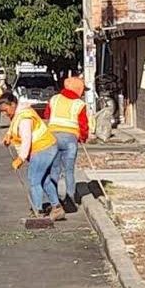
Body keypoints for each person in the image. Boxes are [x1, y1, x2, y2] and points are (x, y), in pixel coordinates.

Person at [0, 92, 65, 221]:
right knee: (44, 179)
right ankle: (57, 208)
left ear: (13, 104)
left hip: (43, 148)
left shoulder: (25, 117)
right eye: (2, 112)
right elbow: (14, 126)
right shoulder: (18, 113)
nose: (4, 114)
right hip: (43, 147)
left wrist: (21, 158)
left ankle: (38, 211)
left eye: (5, 110)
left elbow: (26, 139)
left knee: (34, 179)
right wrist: (9, 135)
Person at [44, 77, 89, 212]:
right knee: (68, 170)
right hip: (70, 139)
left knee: (54, 170)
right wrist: (83, 137)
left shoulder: (54, 99)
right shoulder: (79, 104)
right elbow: (83, 124)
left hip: (53, 138)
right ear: (78, 89)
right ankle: (70, 199)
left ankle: (55, 201)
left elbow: (47, 114)